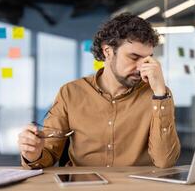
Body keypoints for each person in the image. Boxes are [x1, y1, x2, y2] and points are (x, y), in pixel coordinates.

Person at [18, 13, 180, 169]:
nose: (141, 67)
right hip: (83, 185)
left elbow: (164, 161)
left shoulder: (158, 95)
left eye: (147, 59)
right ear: (108, 51)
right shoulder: (71, 92)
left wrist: (159, 92)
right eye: (133, 57)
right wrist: (33, 153)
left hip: (135, 186)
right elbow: (48, 153)